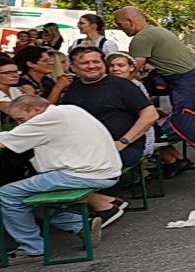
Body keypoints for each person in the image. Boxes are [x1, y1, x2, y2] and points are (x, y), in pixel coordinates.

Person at [112, 6, 195, 199]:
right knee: (190, 129)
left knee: (191, 130)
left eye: (120, 25)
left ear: (130, 21)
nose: (121, 29)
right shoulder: (157, 30)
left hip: (188, 85)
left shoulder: (141, 38)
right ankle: (179, 159)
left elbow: (129, 70)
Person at [0, 94, 121, 263]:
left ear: (35, 110)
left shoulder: (46, 118)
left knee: (7, 193)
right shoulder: (69, 109)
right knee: (29, 196)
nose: (20, 124)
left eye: (21, 119)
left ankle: (32, 249)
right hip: (103, 170)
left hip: (84, 173)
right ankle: (81, 225)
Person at [58, 46, 159, 228]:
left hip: (123, 149)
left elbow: (151, 115)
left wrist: (123, 141)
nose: (91, 66)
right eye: (84, 63)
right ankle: (101, 202)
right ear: (73, 67)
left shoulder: (122, 85)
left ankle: (100, 206)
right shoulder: (73, 90)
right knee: (44, 170)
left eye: (96, 61)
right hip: (88, 151)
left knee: (57, 175)